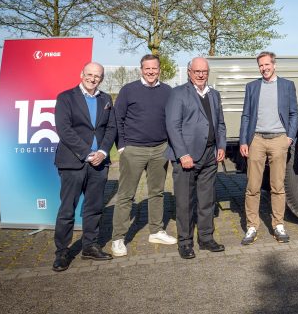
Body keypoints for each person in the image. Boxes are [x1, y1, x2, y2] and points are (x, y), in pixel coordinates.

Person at [52, 62, 117, 272]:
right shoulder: (66, 97)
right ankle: (62, 252)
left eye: (97, 76)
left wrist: (103, 152)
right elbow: (64, 129)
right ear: (81, 74)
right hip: (74, 162)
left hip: (99, 163)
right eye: (89, 74)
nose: (92, 78)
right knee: (67, 209)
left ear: (102, 78)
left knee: (94, 208)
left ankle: (90, 246)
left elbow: (111, 128)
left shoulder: (106, 99)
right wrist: (87, 153)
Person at [110, 54, 176, 257]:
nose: (151, 72)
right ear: (141, 69)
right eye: (147, 68)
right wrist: (122, 146)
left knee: (157, 192)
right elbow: (117, 118)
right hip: (134, 150)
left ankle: (156, 231)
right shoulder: (128, 90)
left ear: (159, 70)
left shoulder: (167, 91)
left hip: (160, 149)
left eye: (154, 68)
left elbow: (172, 119)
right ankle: (118, 238)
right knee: (126, 195)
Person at [165, 57, 226, 259]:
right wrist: (183, 154)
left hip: (210, 155)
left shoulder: (214, 94)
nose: (201, 75)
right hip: (187, 157)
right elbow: (173, 126)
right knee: (185, 202)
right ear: (189, 72)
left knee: (207, 200)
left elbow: (220, 124)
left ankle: (206, 238)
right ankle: (185, 242)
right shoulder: (178, 93)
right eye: (197, 71)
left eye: (204, 71)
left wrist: (221, 145)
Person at [239, 52, 298, 245]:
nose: (264, 68)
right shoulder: (252, 87)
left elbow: (293, 113)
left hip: (279, 140)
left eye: (267, 64)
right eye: (261, 65)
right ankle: (252, 226)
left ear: (274, 65)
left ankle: (278, 225)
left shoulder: (287, 85)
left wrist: (289, 137)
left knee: (277, 186)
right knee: (253, 186)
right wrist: (243, 141)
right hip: (256, 140)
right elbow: (246, 115)